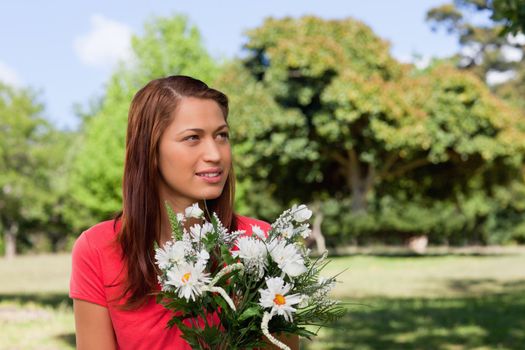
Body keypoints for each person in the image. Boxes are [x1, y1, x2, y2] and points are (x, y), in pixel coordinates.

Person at [69, 75, 299, 349]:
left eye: (221, 135)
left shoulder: (263, 243)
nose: (215, 153)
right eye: (193, 138)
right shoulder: (97, 249)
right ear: (150, 151)